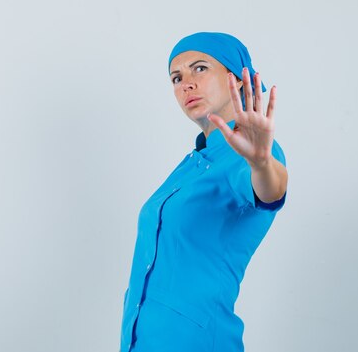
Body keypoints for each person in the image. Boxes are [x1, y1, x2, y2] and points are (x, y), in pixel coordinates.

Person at [120, 32, 289, 352]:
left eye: (200, 69)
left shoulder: (249, 153)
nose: (186, 84)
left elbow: (270, 190)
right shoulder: (192, 165)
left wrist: (263, 162)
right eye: (176, 77)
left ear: (237, 79)